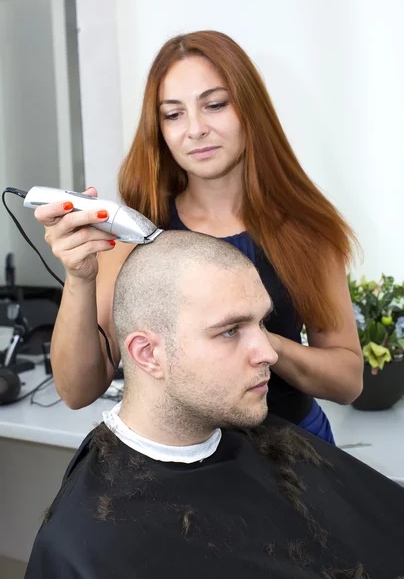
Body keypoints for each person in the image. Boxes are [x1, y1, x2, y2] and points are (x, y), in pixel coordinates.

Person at [35, 30, 363, 442]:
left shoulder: (306, 232)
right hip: (182, 473)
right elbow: (77, 391)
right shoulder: (135, 236)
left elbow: (348, 382)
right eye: (173, 114)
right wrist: (79, 278)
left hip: (298, 457)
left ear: (249, 109)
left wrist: (255, 340)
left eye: (215, 105)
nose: (195, 129)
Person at [26, 232, 404, 579]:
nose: (269, 352)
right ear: (148, 353)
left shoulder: (277, 451)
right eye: (229, 331)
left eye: (262, 324)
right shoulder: (83, 543)